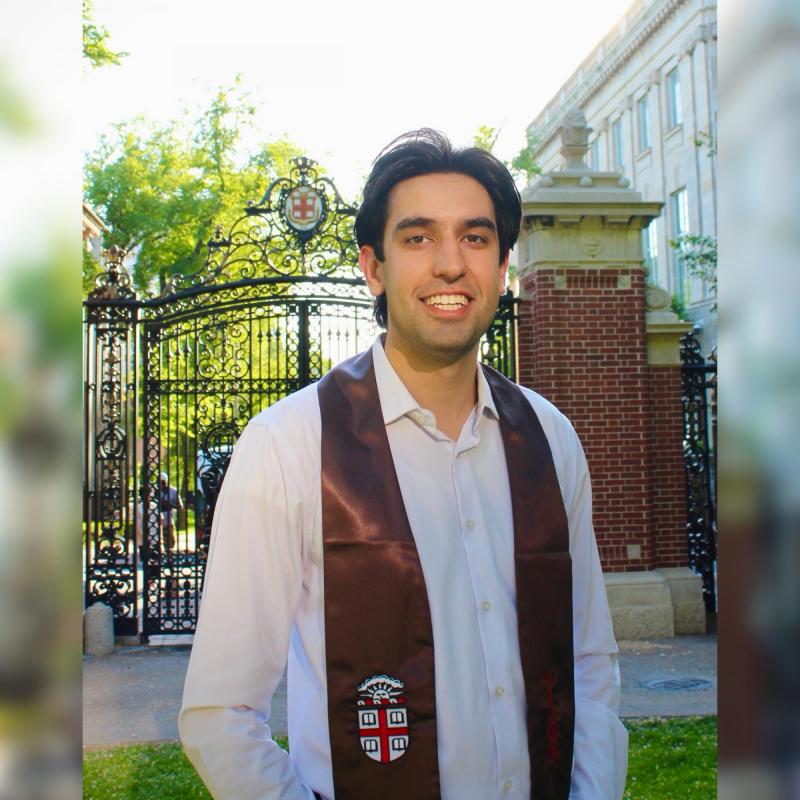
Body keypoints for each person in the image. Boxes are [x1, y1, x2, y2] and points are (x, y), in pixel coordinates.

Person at [179, 129, 628, 799]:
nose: (450, 264)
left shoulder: (550, 438)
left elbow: (588, 662)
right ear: (374, 267)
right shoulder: (290, 445)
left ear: (504, 266)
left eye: (475, 239)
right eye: (418, 238)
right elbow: (220, 715)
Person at [158, 471, 182, 555]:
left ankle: (168, 550)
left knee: (169, 536)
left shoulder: (173, 491)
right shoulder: (155, 491)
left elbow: (180, 506)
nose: (161, 485)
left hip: (169, 517)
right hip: (157, 518)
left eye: (162, 482)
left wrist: (169, 504)